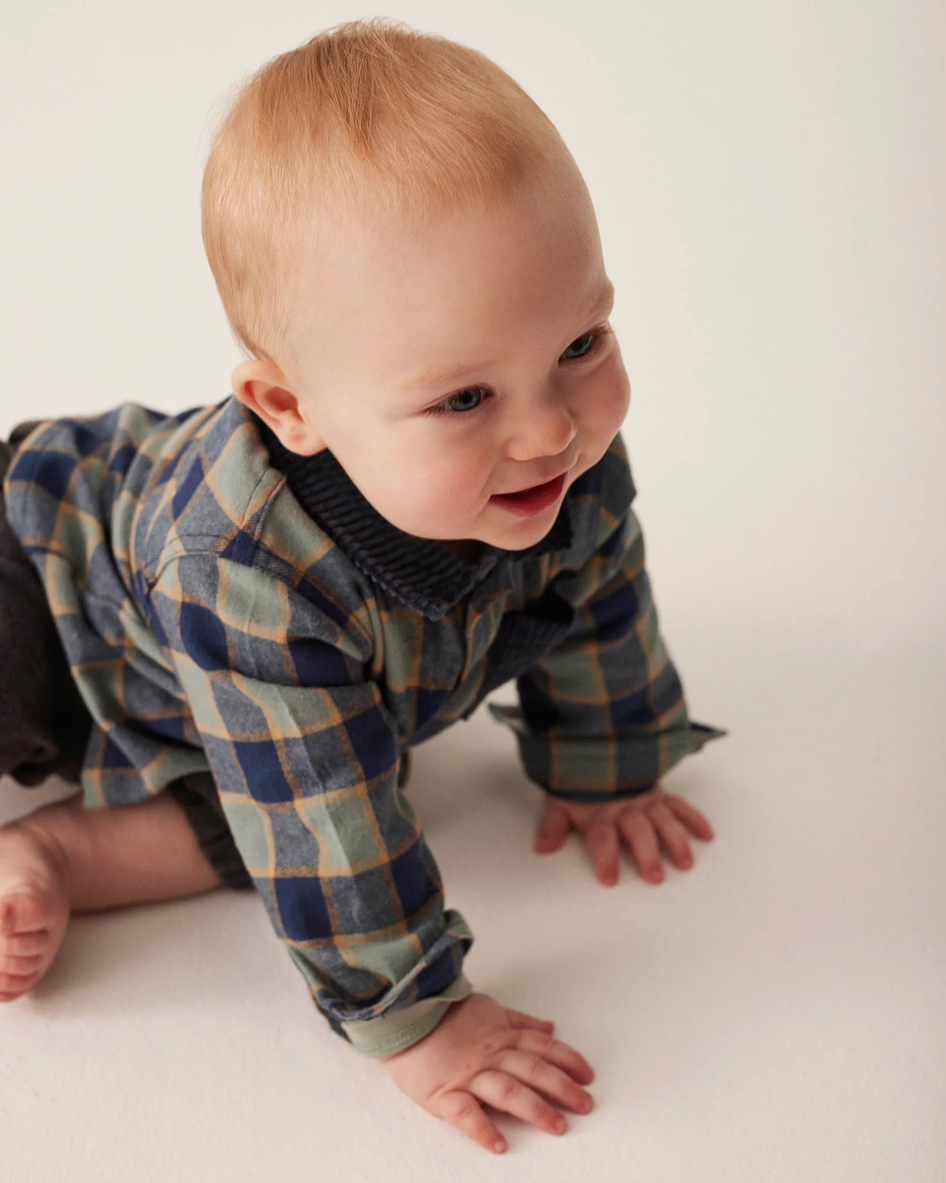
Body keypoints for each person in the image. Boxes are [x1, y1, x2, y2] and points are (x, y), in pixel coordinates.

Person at [0, 17, 726, 1154]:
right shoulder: (240, 569)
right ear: (289, 409)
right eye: (464, 399)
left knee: (299, 814)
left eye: (580, 341)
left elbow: (590, 609)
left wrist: (606, 759)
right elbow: (335, 836)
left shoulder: (559, 466)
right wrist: (419, 1021)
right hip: (40, 581)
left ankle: (49, 850)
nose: (548, 427)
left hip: (213, 716)